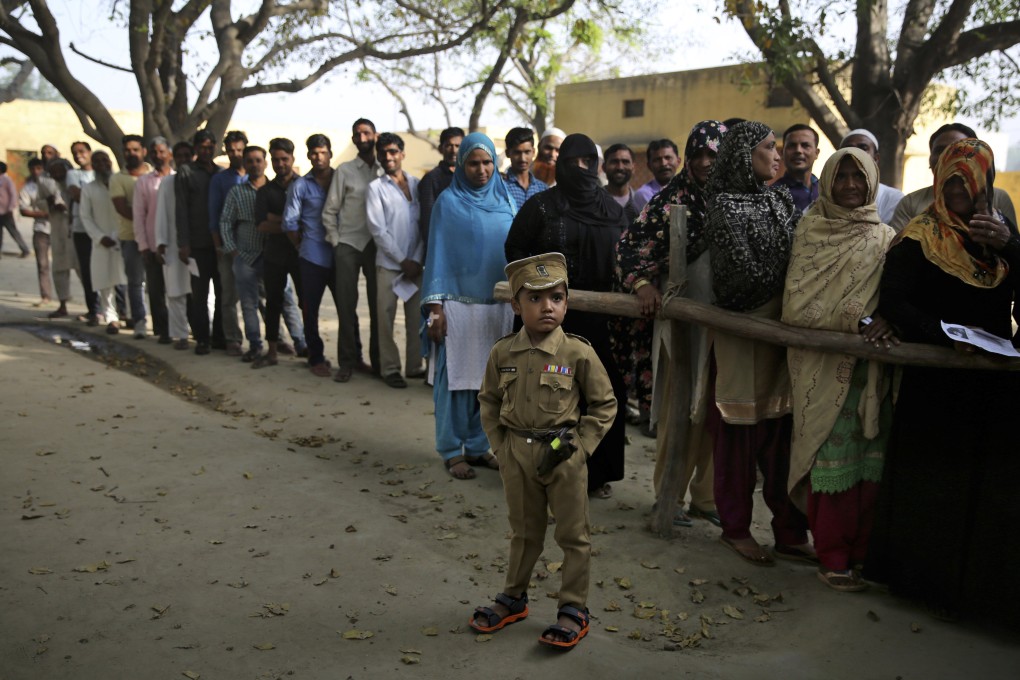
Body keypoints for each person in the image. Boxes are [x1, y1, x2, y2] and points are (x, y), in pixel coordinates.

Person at [868, 138, 1020, 624]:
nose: (957, 190)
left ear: (984, 184)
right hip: (937, 379)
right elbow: (893, 300)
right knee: (930, 482)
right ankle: (922, 585)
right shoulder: (921, 231)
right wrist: (943, 335)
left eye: (967, 181)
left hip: (990, 382)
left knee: (981, 486)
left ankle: (972, 592)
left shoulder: (1000, 236)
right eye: (950, 180)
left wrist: (1009, 245)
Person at [473, 252, 616, 651]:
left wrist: (582, 448)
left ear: (566, 302)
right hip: (516, 452)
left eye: (556, 297)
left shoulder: (578, 353)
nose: (547, 306)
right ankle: (514, 597)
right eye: (534, 299)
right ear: (516, 305)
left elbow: (604, 404)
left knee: (574, 535)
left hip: (564, 454)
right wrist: (500, 446)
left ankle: (573, 607)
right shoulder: (503, 353)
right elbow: (488, 400)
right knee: (524, 532)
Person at [782, 147, 897, 592]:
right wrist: (854, 317)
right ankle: (831, 554)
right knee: (828, 460)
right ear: (827, 181)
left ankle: (862, 552)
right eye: (841, 175)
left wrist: (885, 321)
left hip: (870, 372)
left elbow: (893, 297)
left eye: (858, 176)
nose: (850, 185)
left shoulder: (886, 237)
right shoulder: (810, 230)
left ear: (871, 181)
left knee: (868, 462)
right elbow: (797, 304)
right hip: (820, 367)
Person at [704, 121, 813, 566]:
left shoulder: (779, 197)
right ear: (744, 153)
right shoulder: (723, 206)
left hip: (781, 333)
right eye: (769, 147)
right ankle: (736, 528)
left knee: (781, 436)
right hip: (743, 333)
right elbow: (739, 282)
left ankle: (789, 531)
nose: (778, 154)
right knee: (738, 438)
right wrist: (791, 278)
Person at [505, 133, 629, 500]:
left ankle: (593, 473)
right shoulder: (542, 206)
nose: (581, 169)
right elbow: (514, 249)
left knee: (599, 397)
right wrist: (539, 287)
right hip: (549, 318)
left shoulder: (613, 210)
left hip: (600, 321)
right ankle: (540, 472)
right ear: (561, 164)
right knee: (546, 398)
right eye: (573, 162)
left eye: (587, 162)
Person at [616, 119, 728, 527]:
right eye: (697, 153)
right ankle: (669, 495)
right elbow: (629, 249)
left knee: (716, 414)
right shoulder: (668, 200)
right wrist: (643, 283)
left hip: (725, 327)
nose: (703, 162)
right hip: (681, 323)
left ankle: (705, 498)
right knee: (679, 408)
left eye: (712, 154)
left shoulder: (736, 200)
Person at [421, 132, 515, 479]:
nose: (481, 170)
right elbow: (437, 255)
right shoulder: (448, 202)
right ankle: (450, 449)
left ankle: (477, 446)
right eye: (473, 163)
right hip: (457, 304)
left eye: (487, 162)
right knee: (454, 381)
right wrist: (435, 308)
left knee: (487, 384)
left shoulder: (505, 199)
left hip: (497, 304)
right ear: (461, 164)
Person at [323, 118, 383, 382]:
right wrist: (336, 241)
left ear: (375, 135)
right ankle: (347, 362)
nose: (361, 137)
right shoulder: (345, 170)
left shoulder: (385, 169)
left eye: (366, 132)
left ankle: (381, 364)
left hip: (377, 245)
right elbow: (329, 211)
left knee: (378, 306)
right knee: (346, 307)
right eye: (357, 133)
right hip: (348, 243)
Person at [365, 132, 424, 388]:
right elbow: (378, 230)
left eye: (392, 151)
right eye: (383, 152)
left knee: (415, 318)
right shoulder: (375, 189)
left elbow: (424, 225)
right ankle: (390, 369)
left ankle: (414, 366)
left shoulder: (418, 184)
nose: (388, 157)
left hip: (416, 265)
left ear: (402, 154)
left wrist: (416, 259)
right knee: (385, 319)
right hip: (390, 266)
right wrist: (402, 260)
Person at [889, 123, 1016, 232]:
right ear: (930, 160)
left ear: (975, 157)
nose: (948, 156)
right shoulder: (911, 203)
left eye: (957, 149)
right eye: (940, 150)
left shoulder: (999, 199)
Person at [283, 134, 338, 377]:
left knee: (346, 310)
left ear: (330, 153)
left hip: (339, 256)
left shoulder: (341, 180)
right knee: (310, 310)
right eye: (314, 153)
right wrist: (300, 247)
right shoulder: (301, 186)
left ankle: (352, 357)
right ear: (308, 156)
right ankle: (315, 357)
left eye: (322, 152)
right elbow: (289, 223)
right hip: (312, 257)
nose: (318, 157)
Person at [253, 137, 308, 368]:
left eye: (284, 159)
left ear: (293, 158)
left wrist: (279, 220)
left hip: (301, 253)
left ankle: (311, 348)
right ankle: (272, 351)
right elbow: (262, 224)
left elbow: (308, 220)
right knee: (273, 302)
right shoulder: (265, 191)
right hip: (274, 254)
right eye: (275, 160)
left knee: (306, 301)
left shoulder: (305, 185)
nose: (280, 164)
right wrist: (290, 223)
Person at [220, 145, 270, 362]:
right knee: (248, 304)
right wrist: (231, 249)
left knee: (282, 301)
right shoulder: (237, 192)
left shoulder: (274, 189)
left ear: (265, 163)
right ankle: (255, 345)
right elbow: (225, 221)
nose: (254, 164)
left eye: (258, 160)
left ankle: (292, 341)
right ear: (245, 164)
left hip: (271, 257)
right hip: (245, 256)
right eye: (250, 161)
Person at [176, 129, 223, 355]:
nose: (206, 151)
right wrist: (183, 243)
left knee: (224, 292)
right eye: (202, 147)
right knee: (200, 294)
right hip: (196, 243)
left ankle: (221, 337)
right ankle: (202, 338)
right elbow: (181, 208)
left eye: (209, 146)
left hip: (220, 244)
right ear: (195, 148)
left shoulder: (221, 173)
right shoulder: (186, 172)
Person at [208, 130, 249, 355]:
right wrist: (218, 246)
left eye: (240, 150)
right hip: (227, 246)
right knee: (228, 295)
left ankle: (278, 336)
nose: (236, 154)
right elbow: (214, 216)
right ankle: (232, 338)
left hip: (253, 247)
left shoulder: (255, 176)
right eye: (231, 151)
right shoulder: (220, 179)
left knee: (261, 295)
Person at [109, 134, 153, 338]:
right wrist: (144, 225)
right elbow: (122, 208)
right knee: (135, 282)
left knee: (158, 283)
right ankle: (140, 321)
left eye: (136, 149)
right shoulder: (118, 178)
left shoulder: (156, 175)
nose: (131, 153)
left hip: (156, 237)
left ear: (144, 151)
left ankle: (164, 323)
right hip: (130, 237)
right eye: (128, 150)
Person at [79, 151, 127, 333]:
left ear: (110, 162)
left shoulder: (120, 182)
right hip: (101, 241)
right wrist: (100, 237)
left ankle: (129, 314)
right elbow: (85, 216)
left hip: (124, 237)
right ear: (93, 165)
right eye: (97, 162)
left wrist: (122, 233)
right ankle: (111, 318)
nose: (102, 164)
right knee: (105, 281)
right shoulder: (89, 188)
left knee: (128, 278)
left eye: (104, 160)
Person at [133, 136, 174, 343]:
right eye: (155, 152)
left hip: (175, 244)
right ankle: (163, 329)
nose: (159, 156)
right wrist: (144, 246)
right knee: (156, 290)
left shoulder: (178, 179)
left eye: (162, 151)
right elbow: (139, 216)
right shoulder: (143, 182)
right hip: (151, 243)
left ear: (170, 154)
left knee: (178, 289)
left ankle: (181, 328)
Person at [155, 141, 194, 349]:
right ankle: (180, 335)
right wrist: (160, 242)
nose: (184, 160)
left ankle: (205, 332)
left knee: (205, 294)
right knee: (176, 291)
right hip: (172, 244)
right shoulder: (167, 183)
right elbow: (161, 213)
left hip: (198, 246)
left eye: (187, 156)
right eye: (179, 156)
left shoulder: (201, 180)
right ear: (173, 158)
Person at [41, 159, 81, 319]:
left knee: (82, 270)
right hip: (57, 232)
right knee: (59, 270)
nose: (57, 174)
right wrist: (49, 204)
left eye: (59, 170)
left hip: (76, 232)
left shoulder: (75, 184)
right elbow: (39, 203)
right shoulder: (48, 186)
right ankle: (63, 304)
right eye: (53, 172)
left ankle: (94, 307)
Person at [838, 129, 904, 223]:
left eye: (863, 148)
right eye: (849, 148)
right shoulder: (825, 198)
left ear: (876, 158)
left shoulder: (893, 198)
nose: (855, 152)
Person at [67, 142, 100, 322]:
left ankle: (113, 310)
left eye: (81, 151)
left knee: (106, 269)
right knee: (87, 271)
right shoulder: (73, 174)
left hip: (102, 227)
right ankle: (93, 310)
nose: (78, 155)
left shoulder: (100, 173)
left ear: (89, 152)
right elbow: (76, 195)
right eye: (75, 153)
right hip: (82, 228)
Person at [417, 126, 463, 256]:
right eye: (449, 145)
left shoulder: (469, 176)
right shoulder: (431, 179)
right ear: (440, 148)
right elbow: (428, 221)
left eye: (458, 145)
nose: (453, 150)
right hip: (442, 250)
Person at [19, 157, 58, 304]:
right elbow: (24, 210)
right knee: (42, 264)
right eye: (33, 169)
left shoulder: (54, 184)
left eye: (39, 168)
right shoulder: (28, 188)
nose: (36, 172)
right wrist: (43, 214)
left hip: (58, 228)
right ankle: (46, 296)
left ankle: (64, 299)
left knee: (64, 264)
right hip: (41, 229)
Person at [771, 124, 820, 212]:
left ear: (816, 153)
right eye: (792, 146)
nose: (798, 150)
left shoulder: (827, 191)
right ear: (782, 153)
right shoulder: (773, 195)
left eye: (805, 145)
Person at [503, 127, 548, 214]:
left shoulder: (542, 188)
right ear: (508, 153)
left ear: (533, 152)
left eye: (527, 152)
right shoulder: (501, 187)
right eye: (517, 152)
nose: (523, 158)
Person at [634, 139, 680, 209]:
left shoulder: (689, 189)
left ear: (678, 161)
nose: (663, 164)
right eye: (657, 160)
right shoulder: (644, 195)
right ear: (649, 166)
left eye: (668, 158)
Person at [0, 161, 31, 258]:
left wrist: (10, 207)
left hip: (6, 211)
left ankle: (25, 249)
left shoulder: (6, 180)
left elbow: (13, 194)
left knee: (13, 231)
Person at [602, 144, 640, 222]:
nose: (620, 167)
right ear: (604, 167)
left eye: (625, 162)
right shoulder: (595, 202)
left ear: (633, 168)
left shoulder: (641, 203)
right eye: (614, 162)